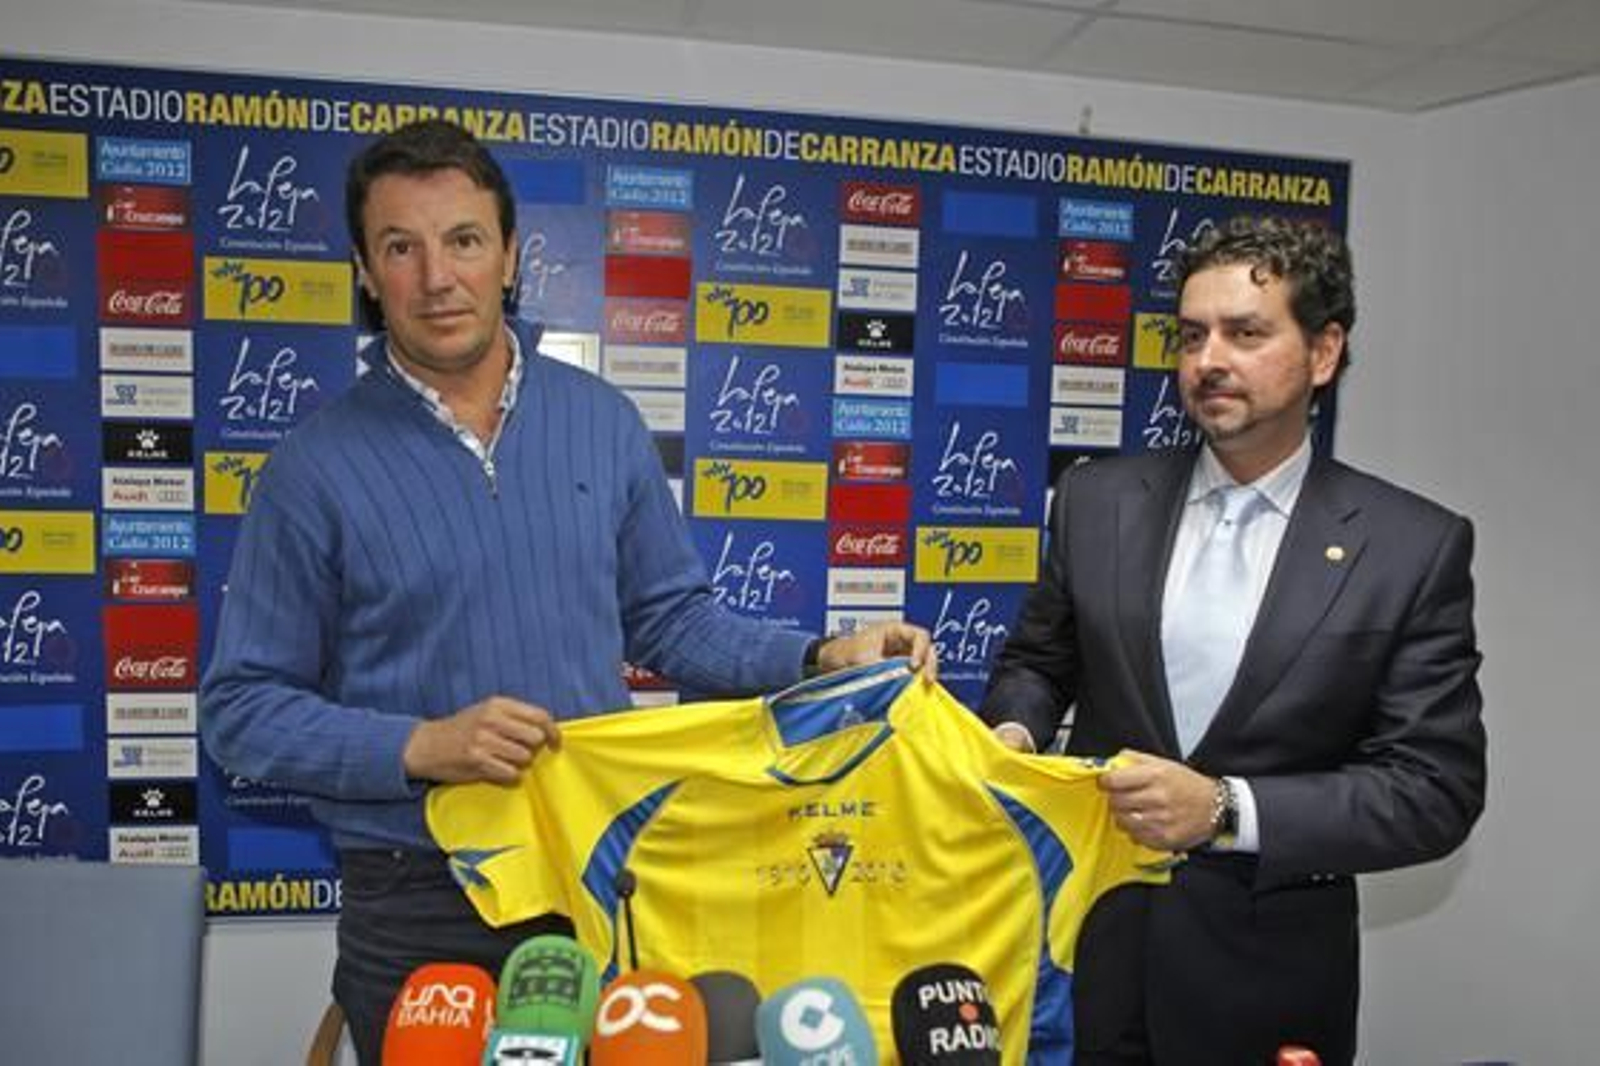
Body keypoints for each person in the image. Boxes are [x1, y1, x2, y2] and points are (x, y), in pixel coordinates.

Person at [199, 119, 934, 1064]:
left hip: (596, 875)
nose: (437, 276)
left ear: (510, 256)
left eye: (464, 239)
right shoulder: (312, 467)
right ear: (365, 271)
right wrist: (420, 746)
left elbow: (672, 620)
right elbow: (240, 710)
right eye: (401, 247)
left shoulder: (603, 421)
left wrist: (822, 656)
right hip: (416, 893)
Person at [979, 216, 1485, 1065]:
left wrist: (1226, 810)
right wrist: (1013, 732)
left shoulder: (1410, 547)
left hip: (1266, 987)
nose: (1208, 360)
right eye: (1191, 335)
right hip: (1080, 961)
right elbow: (1039, 662)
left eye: (1245, 333)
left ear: (1324, 353)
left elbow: (1434, 792)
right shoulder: (1096, 501)